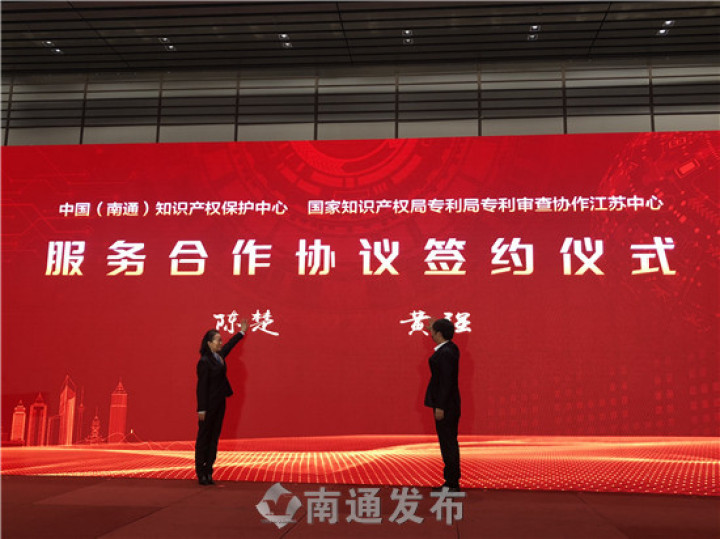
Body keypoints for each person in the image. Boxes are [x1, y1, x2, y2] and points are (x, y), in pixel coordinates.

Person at [195, 320, 248, 485]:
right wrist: (201, 409)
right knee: (204, 438)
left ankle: (209, 470)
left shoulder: (219, 356)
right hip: (208, 406)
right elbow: (201, 387)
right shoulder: (204, 362)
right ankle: (200, 472)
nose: (221, 342)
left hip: (220, 403)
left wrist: (241, 332)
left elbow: (230, 345)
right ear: (209, 343)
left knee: (214, 438)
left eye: (220, 340)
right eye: (218, 340)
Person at [424, 317, 461, 491]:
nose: (430, 334)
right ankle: (451, 481)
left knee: (448, 443)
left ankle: (452, 482)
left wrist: (440, 406)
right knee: (448, 442)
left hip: (446, 406)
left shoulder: (446, 352)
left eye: (433, 331)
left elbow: (446, 382)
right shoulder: (450, 348)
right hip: (449, 404)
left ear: (439, 333)